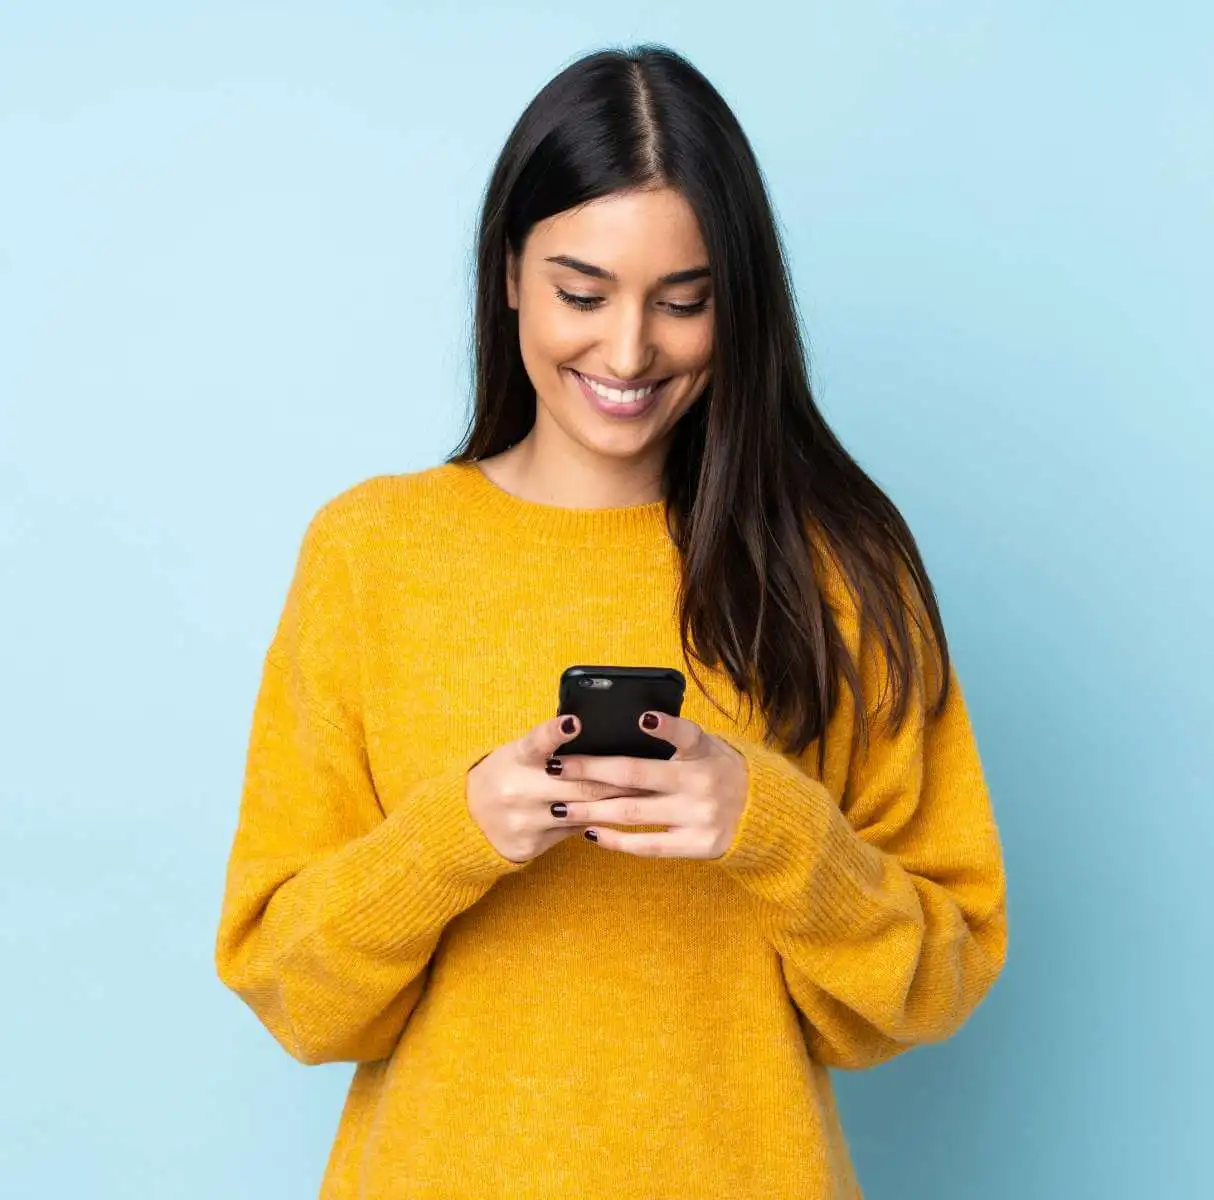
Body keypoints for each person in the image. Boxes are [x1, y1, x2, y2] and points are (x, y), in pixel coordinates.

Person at [214, 42, 1009, 1199]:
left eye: (683, 303)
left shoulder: (837, 565)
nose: (629, 352)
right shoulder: (373, 553)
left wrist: (771, 826)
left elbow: (939, 978)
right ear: (509, 277)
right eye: (582, 293)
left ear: (738, 305)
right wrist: (458, 836)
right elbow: (293, 994)